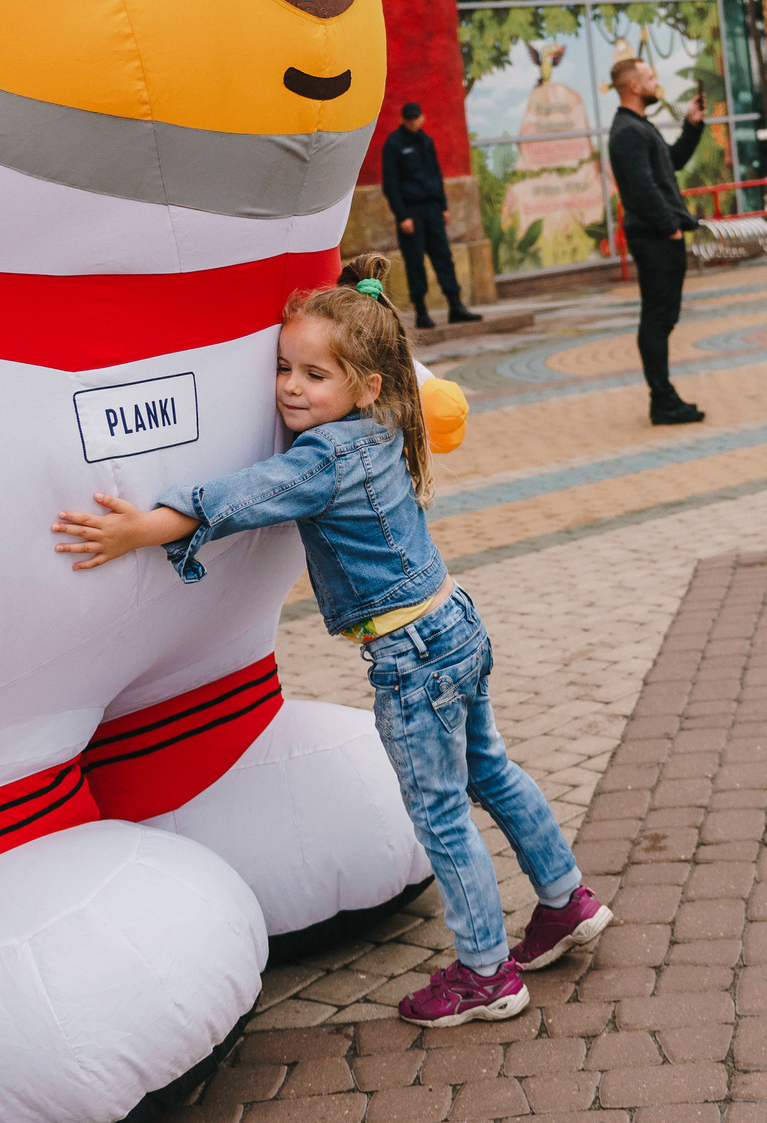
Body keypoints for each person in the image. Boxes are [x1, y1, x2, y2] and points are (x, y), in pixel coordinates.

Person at [53, 262, 612, 1027]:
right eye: (284, 367)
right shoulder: (385, 425)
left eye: (316, 373)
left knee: (442, 814)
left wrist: (136, 530)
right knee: (492, 770)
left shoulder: (323, 457)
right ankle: (565, 898)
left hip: (412, 657)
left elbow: (240, 496)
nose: (290, 386)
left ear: (367, 384)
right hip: (455, 623)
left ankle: (486, 971)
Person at [606, 58, 708, 425]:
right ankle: (662, 400)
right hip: (655, 237)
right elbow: (641, 189)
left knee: (662, 317)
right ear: (634, 86)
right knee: (657, 317)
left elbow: (671, 162)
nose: (655, 81)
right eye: (649, 77)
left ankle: (664, 397)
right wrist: (669, 226)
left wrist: (692, 126)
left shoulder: (638, 127)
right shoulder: (628, 131)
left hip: (660, 235)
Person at [380, 102, 482, 332]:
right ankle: (422, 312)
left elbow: (436, 174)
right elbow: (391, 184)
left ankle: (456, 307)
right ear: (403, 119)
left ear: (422, 118)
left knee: (443, 258)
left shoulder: (426, 141)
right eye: (409, 118)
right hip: (411, 214)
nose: (413, 121)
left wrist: (443, 206)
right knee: (415, 262)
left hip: (433, 210)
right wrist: (402, 215)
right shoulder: (394, 144)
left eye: (416, 117)